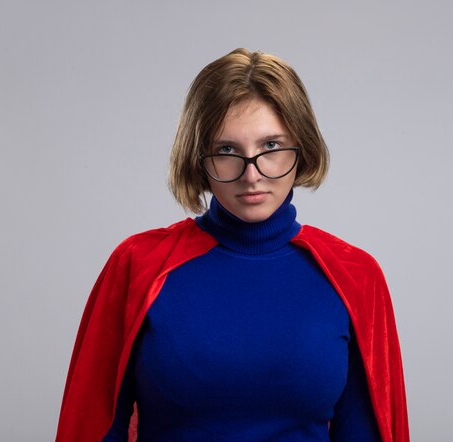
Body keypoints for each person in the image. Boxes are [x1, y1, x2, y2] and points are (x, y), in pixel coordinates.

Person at [56, 48, 409, 442]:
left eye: (272, 146)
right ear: (198, 159)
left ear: (302, 146)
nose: (252, 174)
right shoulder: (138, 266)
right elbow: (91, 427)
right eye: (227, 150)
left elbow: (367, 432)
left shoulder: (354, 275)